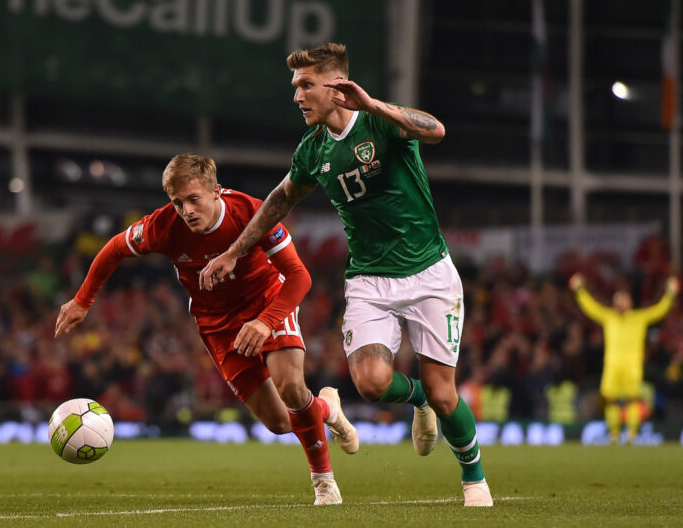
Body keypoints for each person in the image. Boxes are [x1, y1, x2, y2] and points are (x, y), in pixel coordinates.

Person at [200, 43, 492, 506]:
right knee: (372, 384)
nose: (297, 96)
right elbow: (280, 198)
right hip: (369, 280)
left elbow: (436, 130)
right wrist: (235, 251)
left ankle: (474, 478)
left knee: (446, 394)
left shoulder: (380, 121)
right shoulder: (313, 148)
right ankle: (416, 398)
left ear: (336, 87)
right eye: (295, 86)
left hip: (429, 272)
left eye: (305, 85)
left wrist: (374, 104)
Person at [55, 154, 358, 505]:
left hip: (267, 301)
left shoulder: (252, 212)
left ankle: (324, 484)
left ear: (216, 191)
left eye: (193, 199)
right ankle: (326, 408)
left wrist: (266, 321)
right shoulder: (163, 225)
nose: (186, 210)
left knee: (290, 386)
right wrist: (83, 300)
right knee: (279, 422)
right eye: (177, 202)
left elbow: (299, 276)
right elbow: (114, 249)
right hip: (217, 323)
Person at [569, 273, 679, 443]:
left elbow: (660, 310)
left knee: (632, 400)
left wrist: (670, 293)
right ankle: (614, 435)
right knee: (611, 400)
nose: (620, 302)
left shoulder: (639, 318)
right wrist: (579, 290)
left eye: (623, 299)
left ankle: (632, 435)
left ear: (630, 302)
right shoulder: (609, 317)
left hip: (632, 366)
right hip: (612, 366)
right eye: (617, 299)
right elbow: (590, 308)